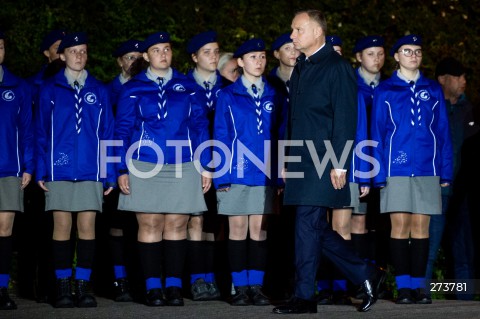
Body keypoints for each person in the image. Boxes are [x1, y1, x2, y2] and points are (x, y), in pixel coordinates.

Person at [272, 10, 384, 314]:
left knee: (307, 226)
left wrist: (340, 163)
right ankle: (366, 273)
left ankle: (305, 296)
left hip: (324, 160)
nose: (292, 36)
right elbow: (294, 119)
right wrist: (288, 158)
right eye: (292, 31)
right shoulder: (301, 66)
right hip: (301, 159)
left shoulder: (337, 67)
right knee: (314, 227)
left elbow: (345, 118)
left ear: (317, 33)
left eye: (298, 30)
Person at [114, 31, 211, 307]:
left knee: (177, 225)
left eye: (167, 49)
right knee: (150, 224)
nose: (163, 54)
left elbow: (200, 126)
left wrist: (205, 165)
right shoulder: (132, 88)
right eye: (156, 50)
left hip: (183, 163)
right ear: (146, 56)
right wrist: (120, 168)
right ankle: (152, 287)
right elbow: (121, 130)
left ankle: (173, 286)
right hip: (144, 163)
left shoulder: (188, 85)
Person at [370, 34, 453, 304]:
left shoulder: (433, 89)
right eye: (407, 51)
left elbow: (443, 133)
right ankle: (403, 287)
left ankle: (419, 287)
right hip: (396, 168)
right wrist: (378, 173)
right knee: (400, 226)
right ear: (396, 56)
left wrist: (446, 170)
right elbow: (377, 134)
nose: (413, 55)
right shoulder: (385, 90)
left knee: (421, 227)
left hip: (428, 168)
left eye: (417, 51)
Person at [35, 32, 115, 308]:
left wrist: (110, 172)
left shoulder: (99, 89)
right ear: (62, 55)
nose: (79, 56)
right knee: (62, 226)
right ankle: (62, 286)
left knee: (87, 227)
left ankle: (83, 285)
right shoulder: (50, 89)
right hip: (59, 169)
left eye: (83, 51)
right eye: (73, 51)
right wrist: (41, 169)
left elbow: (108, 134)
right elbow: (41, 132)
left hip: (91, 170)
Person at [214, 38, 284, 306]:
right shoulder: (227, 96)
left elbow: (279, 137)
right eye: (253, 57)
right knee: (238, 228)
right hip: (236, 172)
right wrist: (222, 176)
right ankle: (239, 287)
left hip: (264, 173)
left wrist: (278, 175)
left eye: (262, 57)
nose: (259, 62)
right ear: (240, 62)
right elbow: (220, 136)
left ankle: (256, 286)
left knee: (260, 230)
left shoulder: (275, 94)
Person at [426, 57, 479, 300]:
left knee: (463, 250)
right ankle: (421, 294)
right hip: (436, 189)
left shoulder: (470, 110)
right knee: (430, 247)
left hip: (464, 193)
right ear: (442, 79)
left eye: (464, 76)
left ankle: (465, 299)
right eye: (458, 76)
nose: (463, 81)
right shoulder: (431, 108)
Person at [185, 30, 226, 301]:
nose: (213, 57)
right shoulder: (183, 85)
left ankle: (212, 278)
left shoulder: (229, 85)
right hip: (193, 160)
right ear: (194, 57)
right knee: (194, 219)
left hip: (222, 160)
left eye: (216, 51)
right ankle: (196, 278)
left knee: (215, 221)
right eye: (207, 52)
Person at [103, 39, 142, 302]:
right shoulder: (109, 90)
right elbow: (109, 133)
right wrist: (112, 169)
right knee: (116, 226)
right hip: (118, 164)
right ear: (119, 61)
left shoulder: (148, 88)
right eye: (129, 57)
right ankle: (119, 280)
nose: (135, 62)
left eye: (139, 56)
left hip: (144, 165)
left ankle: (139, 278)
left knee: (140, 224)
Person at [0, 30, 34, 311]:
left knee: (4, 230)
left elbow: (26, 131)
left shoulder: (18, 87)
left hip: (8, 168)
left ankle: (1, 288)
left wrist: (28, 165)